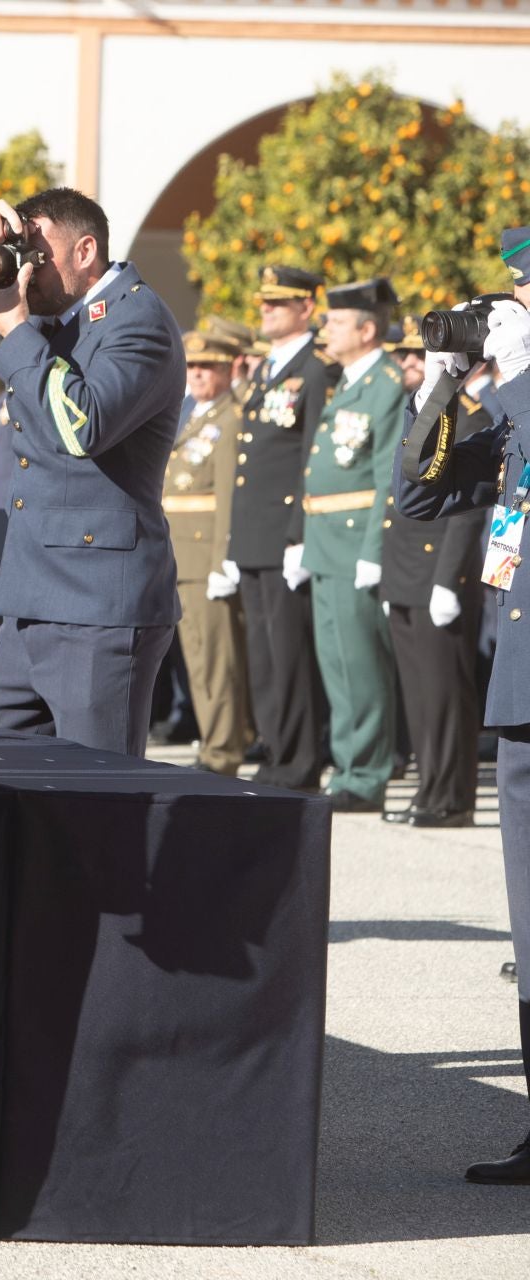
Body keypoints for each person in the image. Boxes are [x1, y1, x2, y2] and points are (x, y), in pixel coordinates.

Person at [0, 188, 185, 756]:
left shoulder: (140, 322)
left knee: (96, 799)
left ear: (85, 251)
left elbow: (79, 428)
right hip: (31, 599)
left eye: (37, 252)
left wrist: (13, 329)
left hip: (99, 608)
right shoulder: (51, 316)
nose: (25, 269)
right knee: (2, 779)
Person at [392, 228, 530, 1182]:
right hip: (522, 688)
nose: (517, 299)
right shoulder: (514, 402)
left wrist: (514, 380)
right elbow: (420, 492)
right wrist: (445, 381)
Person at [224, 266, 336, 792]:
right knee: (264, 659)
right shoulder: (269, 370)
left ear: (306, 308)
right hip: (254, 534)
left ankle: (297, 760)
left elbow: (314, 455)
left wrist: (299, 534)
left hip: (286, 534)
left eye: (279, 303)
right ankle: (275, 750)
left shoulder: (316, 369)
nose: (266, 310)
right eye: (264, 302)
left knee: (290, 656)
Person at [303, 278, 405, 813]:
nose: (327, 328)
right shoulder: (349, 382)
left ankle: (365, 775)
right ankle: (349, 766)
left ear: (367, 329)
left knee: (360, 663)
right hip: (325, 542)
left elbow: (389, 475)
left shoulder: (386, 384)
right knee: (338, 664)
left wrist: (374, 549)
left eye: (337, 322)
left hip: (353, 543)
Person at [381, 316, 486, 827]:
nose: (406, 363)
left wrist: (449, 579)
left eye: (411, 355)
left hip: (437, 570)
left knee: (445, 695)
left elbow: (467, 511)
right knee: (420, 694)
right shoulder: (421, 411)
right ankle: (429, 788)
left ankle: (451, 796)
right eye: (403, 356)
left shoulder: (467, 414)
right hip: (405, 569)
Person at [165, 328, 253, 774]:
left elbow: (228, 498)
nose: (197, 374)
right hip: (179, 552)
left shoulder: (231, 417)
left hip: (203, 557)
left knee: (213, 661)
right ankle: (214, 739)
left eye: (208, 367)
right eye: (193, 366)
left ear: (227, 369)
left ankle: (221, 751)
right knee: (196, 659)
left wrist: (223, 559)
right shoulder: (189, 413)